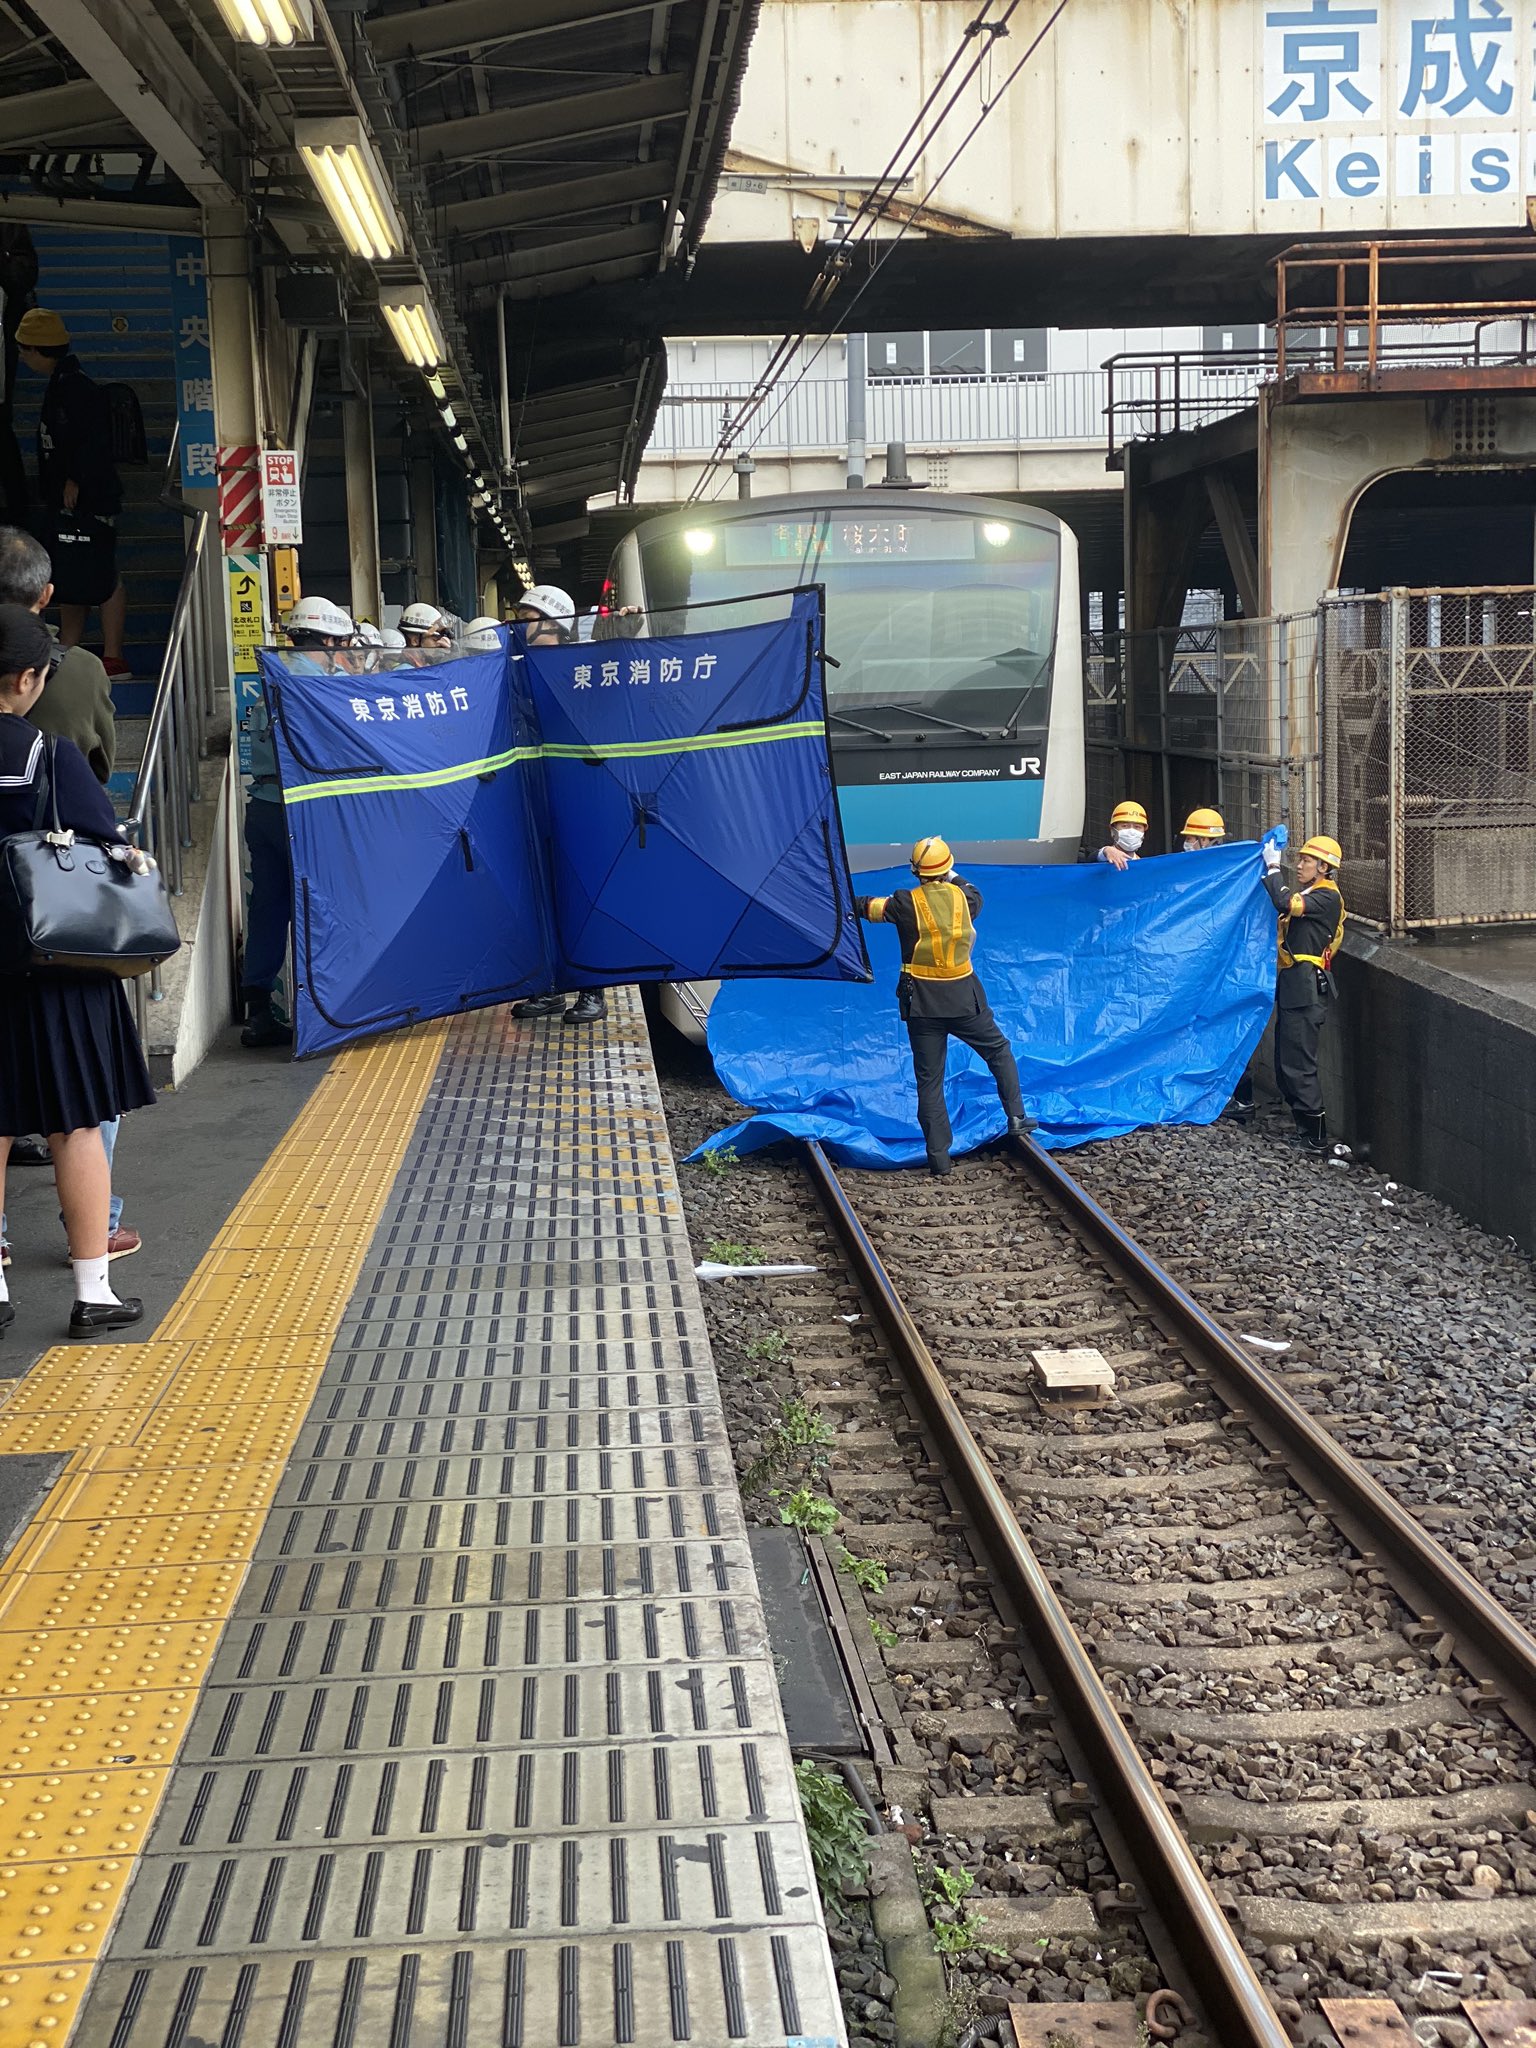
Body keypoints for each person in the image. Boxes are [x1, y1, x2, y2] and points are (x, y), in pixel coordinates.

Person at [0, 604, 153, 1334]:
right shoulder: (51, 755)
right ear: (27, 679)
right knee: (77, 1126)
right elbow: (112, 845)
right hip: (56, 967)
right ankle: (92, 1293)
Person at [856, 834, 1031, 1176]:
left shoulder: (905, 903)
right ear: (948, 867)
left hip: (921, 1004)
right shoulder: (966, 899)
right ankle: (1016, 1116)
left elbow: (867, 908)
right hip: (965, 1000)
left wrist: (843, 899)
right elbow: (971, 889)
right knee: (998, 1051)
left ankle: (939, 1159)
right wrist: (952, 875)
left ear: (915, 872)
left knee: (930, 1081)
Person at [241, 592, 354, 1048]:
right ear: (326, 640)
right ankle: (324, 1010)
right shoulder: (319, 687)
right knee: (318, 906)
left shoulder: (269, 678)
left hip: (261, 809)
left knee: (268, 909)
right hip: (302, 812)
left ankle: (258, 1011)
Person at [14, 309, 130, 681]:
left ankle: (112, 657)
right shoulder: (62, 383)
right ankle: (68, 648)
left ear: (37, 349)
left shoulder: (77, 388)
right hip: (67, 503)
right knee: (70, 571)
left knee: (102, 572)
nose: (20, 357)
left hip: (89, 501)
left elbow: (93, 440)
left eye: (23, 350)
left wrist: (75, 479)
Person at [511, 585, 606, 1026]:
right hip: (531, 798)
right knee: (541, 896)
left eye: (528, 618)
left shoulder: (583, 672)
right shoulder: (512, 670)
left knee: (580, 895)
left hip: (576, 800)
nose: (520, 625)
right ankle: (549, 990)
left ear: (555, 626)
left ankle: (592, 989)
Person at [1261, 832, 1345, 1154]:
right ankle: (1304, 1130)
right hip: (1296, 985)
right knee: (1286, 1063)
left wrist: (1273, 868)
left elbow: (1285, 902)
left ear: (1323, 867)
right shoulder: (1315, 892)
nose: (1300, 865)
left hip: (1306, 987)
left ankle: (1316, 1138)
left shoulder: (1327, 896)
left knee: (1299, 1064)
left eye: (1306, 860)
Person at [1096, 798, 1147, 870]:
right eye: (1125, 826)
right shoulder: (1103, 859)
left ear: (1143, 833)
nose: (1131, 831)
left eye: (1137, 827)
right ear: (1113, 831)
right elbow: (1088, 861)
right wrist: (1106, 851)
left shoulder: (1144, 867)